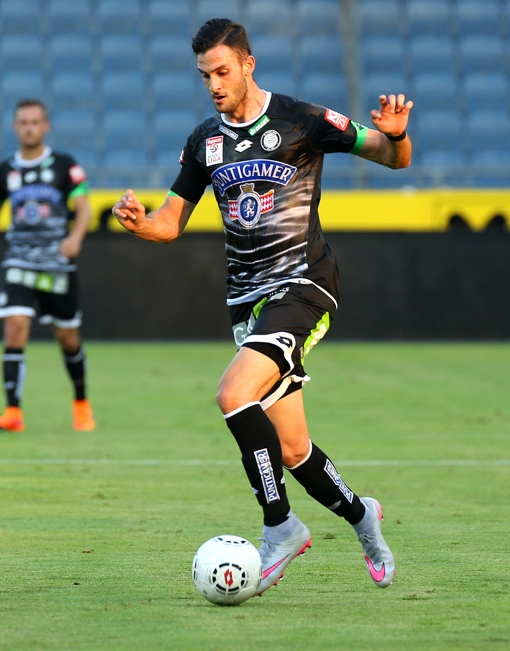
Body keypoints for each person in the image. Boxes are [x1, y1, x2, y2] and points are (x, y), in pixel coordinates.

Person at [112, 18, 412, 596]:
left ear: (248, 63)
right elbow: (171, 224)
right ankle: (362, 517)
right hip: (246, 302)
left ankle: (281, 527)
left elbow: (393, 159)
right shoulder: (206, 141)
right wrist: (139, 225)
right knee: (294, 449)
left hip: (303, 284)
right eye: (205, 76)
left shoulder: (302, 119)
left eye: (223, 71)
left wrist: (395, 135)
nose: (215, 84)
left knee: (233, 394)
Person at [0, 99, 95, 433]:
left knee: (68, 338)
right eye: (23, 122)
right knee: (14, 328)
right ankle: (12, 411)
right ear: (15, 127)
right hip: (19, 261)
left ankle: (81, 403)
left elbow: (83, 207)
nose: (29, 127)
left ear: (45, 125)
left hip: (57, 265)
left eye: (35, 122)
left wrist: (76, 238)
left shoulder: (65, 165)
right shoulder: (4, 171)